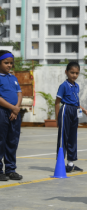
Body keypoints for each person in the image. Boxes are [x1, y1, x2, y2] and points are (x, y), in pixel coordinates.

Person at [55, 62, 87, 173]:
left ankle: (70, 164)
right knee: (63, 138)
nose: (74, 75)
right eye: (72, 72)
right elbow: (57, 102)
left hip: (75, 111)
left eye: (77, 73)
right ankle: (60, 163)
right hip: (66, 110)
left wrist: (83, 110)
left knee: (72, 137)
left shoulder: (77, 86)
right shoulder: (63, 86)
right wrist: (57, 118)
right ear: (66, 72)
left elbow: (75, 101)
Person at [0, 50, 23, 181]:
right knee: (1, 141)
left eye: (11, 63)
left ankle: (10, 169)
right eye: (6, 63)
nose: (9, 65)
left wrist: (16, 108)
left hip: (14, 113)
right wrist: (12, 107)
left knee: (12, 141)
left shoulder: (13, 78)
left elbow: (19, 94)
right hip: (2, 112)